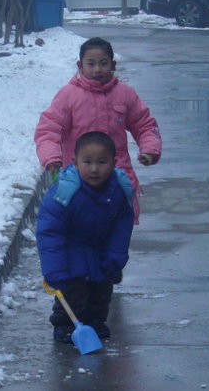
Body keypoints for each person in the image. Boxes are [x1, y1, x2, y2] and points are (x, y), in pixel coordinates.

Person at [34, 36, 161, 223]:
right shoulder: (68, 96)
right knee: (80, 231)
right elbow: (49, 129)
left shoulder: (125, 94)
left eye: (103, 63)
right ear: (80, 65)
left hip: (117, 177)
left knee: (116, 234)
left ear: (113, 64)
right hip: (78, 178)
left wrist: (150, 148)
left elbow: (144, 124)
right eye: (91, 64)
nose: (97, 69)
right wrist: (52, 158)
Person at [36, 131, 134, 343]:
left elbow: (122, 227)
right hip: (71, 253)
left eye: (102, 162)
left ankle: (96, 322)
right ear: (75, 162)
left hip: (101, 251)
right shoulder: (64, 194)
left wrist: (115, 257)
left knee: (101, 292)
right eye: (87, 162)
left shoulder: (117, 191)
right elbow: (50, 233)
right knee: (73, 294)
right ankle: (65, 324)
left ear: (114, 162)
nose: (94, 169)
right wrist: (54, 270)